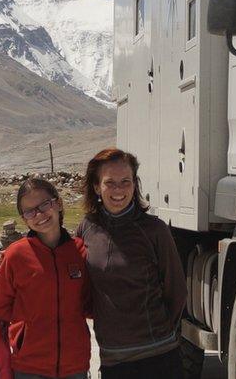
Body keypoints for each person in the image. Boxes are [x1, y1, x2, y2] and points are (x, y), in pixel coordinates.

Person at [75, 149, 186, 378]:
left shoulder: (154, 230)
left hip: (159, 357)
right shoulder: (87, 229)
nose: (118, 190)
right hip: (113, 359)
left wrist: (161, 334)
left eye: (125, 181)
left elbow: (177, 291)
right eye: (110, 183)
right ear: (97, 187)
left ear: (134, 185)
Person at [0, 178, 91, 379]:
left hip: (74, 363)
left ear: (59, 203)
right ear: (24, 219)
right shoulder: (15, 255)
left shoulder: (80, 251)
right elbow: (0, 306)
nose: (39, 215)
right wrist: (25, 330)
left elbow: (89, 302)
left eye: (44, 204)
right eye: (29, 212)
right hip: (30, 365)